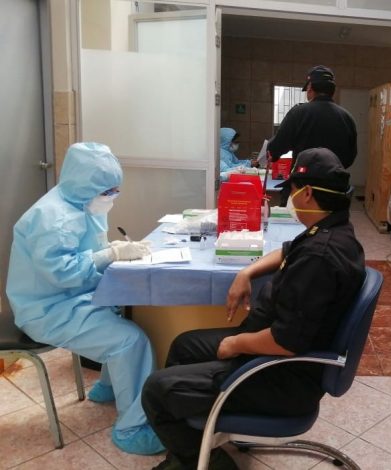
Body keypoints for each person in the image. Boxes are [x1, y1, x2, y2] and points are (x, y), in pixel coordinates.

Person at [142, 147, 366, 470]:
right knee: (183, 346)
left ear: (307, 194)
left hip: (279, 374)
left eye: (291, 190)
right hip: (268, 349)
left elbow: (286, 342)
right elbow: (287, 251)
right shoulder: (331, 231)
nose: (289, 197)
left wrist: (236, 344)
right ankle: (196, 444)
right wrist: (246, 272)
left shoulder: (318, 259)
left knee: (156, 391)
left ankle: (207, 463)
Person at [5, 142, 164, 454]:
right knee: (131, 341)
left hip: (68, 298)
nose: (112, 196)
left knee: (124, 311)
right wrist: (111, 254)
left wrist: (112, 252)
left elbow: (87, 252)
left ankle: (108, 388)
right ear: (87, 185)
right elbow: (63, 273)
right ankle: (131, 429)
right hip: (47, 311)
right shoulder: (53, 218)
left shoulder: (82, 203)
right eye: (108, 191)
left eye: (115, 189)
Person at [267, 65, 357, 204]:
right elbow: (350, 157)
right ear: (332, 90)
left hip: (302, 188)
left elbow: (276, 148)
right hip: (333, 190)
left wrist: (273, 153)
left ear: (310, 88)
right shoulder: (347, 117)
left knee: (295, 217)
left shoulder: (298, 113)